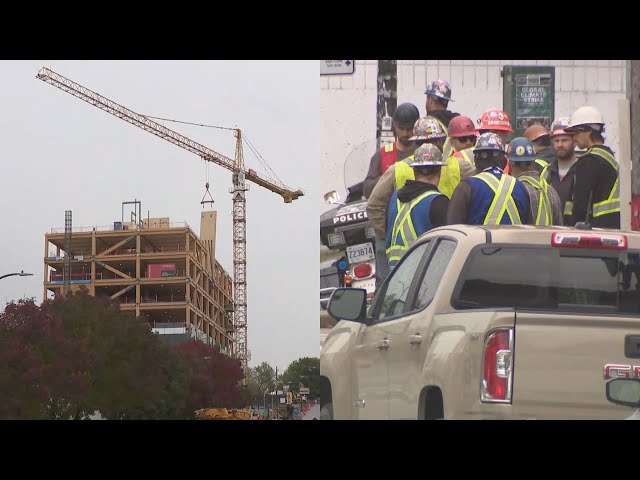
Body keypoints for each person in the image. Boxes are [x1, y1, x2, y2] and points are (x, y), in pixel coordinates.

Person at [367, 116, 448, 287]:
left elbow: (374, 205)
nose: (430, 145)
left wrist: (388, 236)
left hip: (399, 268)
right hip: (425, 270)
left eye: (434, 141)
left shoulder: (396, 195)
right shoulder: (438, 199)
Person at [386, 143, 449, 268]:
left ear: (414, 171)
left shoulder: (394, 198)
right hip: (423, 276)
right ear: (439, 172)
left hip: (395, 273)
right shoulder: (439, 202)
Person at [447, 133, 529, 225]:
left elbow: (453, 227)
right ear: (504, 160)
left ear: (476, 160)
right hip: (512, 239)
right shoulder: (520, 186)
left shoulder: (466, 187)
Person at [563, 105, 620, 229]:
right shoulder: (609, 158)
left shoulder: (588, 162)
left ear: (588, 131)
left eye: (576, 132)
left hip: (590, 232)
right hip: (610, 229)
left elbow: (580, 206)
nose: (574, 137)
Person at [363, 102, 420, 198]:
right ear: (394, 126)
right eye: (401, 128)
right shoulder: (382, 154)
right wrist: (388, 178)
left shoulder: (423, 152)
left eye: (409, 129)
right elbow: (367, 189)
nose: (405, 133)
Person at [506, 137, 563, 226]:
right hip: (547, 239)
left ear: (510, 164)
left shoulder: (514, 191)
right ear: (533, 162)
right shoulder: (551, 191)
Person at [541, 118, 579, 224]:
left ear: (574, 142)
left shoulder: (582, 171)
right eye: (556, 141)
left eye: (565, 140)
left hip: (575, 232)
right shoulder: (546, 173)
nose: (560, 145)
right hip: (551, 232)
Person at [424, 80, 460, 160]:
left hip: (432, 170)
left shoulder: (426, 124)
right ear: (446, 102)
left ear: (430, 99)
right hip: (455, 168)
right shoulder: (458, 123)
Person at [446, 115, 478, 180]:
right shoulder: (450, 163)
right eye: (463, 139)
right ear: (452, 142)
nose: (468, 142)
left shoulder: (482, 155)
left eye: (472, 138)